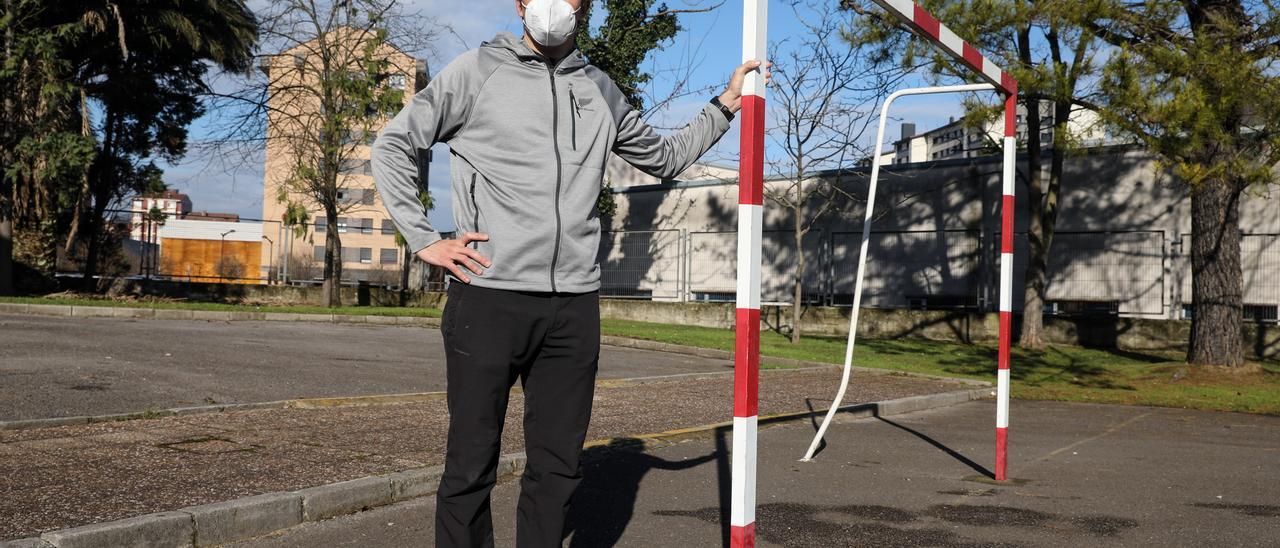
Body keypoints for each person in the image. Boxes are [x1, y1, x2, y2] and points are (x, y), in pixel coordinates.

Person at [372, 0, 769, 545]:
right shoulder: (476, 71)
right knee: (470, 464)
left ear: (581, 7)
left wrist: (724, 104)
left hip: (573, 307)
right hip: (488, 295)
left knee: (557, 469)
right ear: (521, 4)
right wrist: (426, 240)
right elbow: (394, 144)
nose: (555, 6)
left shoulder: (599, 87)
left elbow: (664, 157)